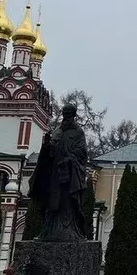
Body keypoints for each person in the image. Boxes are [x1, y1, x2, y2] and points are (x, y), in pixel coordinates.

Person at [29, 103, 88, 242]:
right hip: (54, 173)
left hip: (68, 174)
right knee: (51, 203)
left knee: (67, 202)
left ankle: (69, 231)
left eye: (69, 114)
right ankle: (48, 231)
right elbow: (50, 152)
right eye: (64, 113)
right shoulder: (57, 131)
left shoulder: (78, 132)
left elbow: (82, 152)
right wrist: (46, 146)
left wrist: (69, 159)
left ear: (73, 115)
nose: (66, 116)